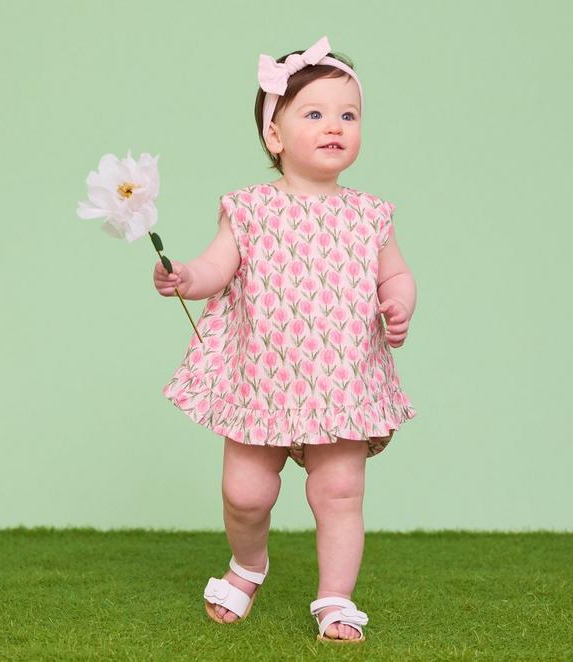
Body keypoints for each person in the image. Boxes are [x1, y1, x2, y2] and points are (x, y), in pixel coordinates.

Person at [154, 35, 417, 643]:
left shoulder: (371, 215)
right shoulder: (248, 209)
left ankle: (335, 598)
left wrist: (398, 302)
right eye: (315, 114)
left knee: (340, 490)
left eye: (348, 115)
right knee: (245, 492)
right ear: (275, 136)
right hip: (261, 378)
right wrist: (187, 277)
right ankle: (248, 565)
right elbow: (218, 268)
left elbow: (397, 273)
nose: (336, 126)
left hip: (343, 378)